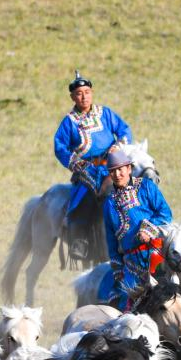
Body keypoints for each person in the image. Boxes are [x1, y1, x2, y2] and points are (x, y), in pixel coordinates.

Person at [103, 146, 181, 313]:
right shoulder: (109, 203)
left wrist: (148, 229)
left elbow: (165, 212)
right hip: (131, 262)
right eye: (112, 171)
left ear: (129, 169)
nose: (117, 175)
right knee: (125, 302)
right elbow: (110, 239)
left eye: (120, 170)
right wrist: (118, 268)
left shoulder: (146, 187)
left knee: (178, 274)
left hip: (156, 251)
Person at [53, 71, 132, 263]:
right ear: (73, 97)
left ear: (92, 93)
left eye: (87, 92)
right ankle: (79, 242)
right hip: (86, 170)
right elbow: (59, 146)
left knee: (133, 187)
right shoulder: (69, 121)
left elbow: (124, 129)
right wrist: (75, 162)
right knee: (82, 200)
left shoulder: (105, 113)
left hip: (111, 165)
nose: (84, 96)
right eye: (79, 93)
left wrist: (118, 145)